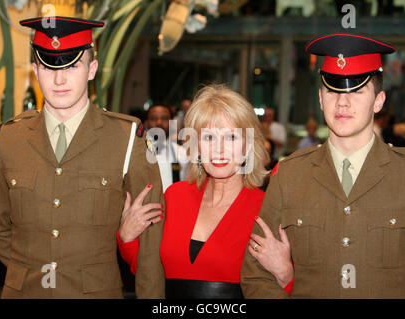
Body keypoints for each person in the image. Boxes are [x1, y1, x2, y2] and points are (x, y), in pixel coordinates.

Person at [0, 16, 164, 298]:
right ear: (35, 70)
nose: (59, 79)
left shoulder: (129, 138)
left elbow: (152, 238)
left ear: (91, 69)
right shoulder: (8, 139)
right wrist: (33, 272)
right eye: (48, 66)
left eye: (73, 65)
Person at [241, 34, 405, 298]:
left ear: (379, 101)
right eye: (333, 90)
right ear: (320, 98)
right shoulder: (290, 175)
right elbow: (255, 274)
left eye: (357, 91)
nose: (342, 102)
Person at [117, 85, 293, 298]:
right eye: (209, 138)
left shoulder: (266, 208)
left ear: (247, 146)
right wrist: (127, 237)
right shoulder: (175, 196)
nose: (219, 149)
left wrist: (286, 274)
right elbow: (147, 270)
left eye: (231, 138)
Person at [145, 103, 188, 191]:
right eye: (153, 118)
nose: (159, 122)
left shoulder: (182, 154)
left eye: (164, 118)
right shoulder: (135, 153)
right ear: (146, 123)